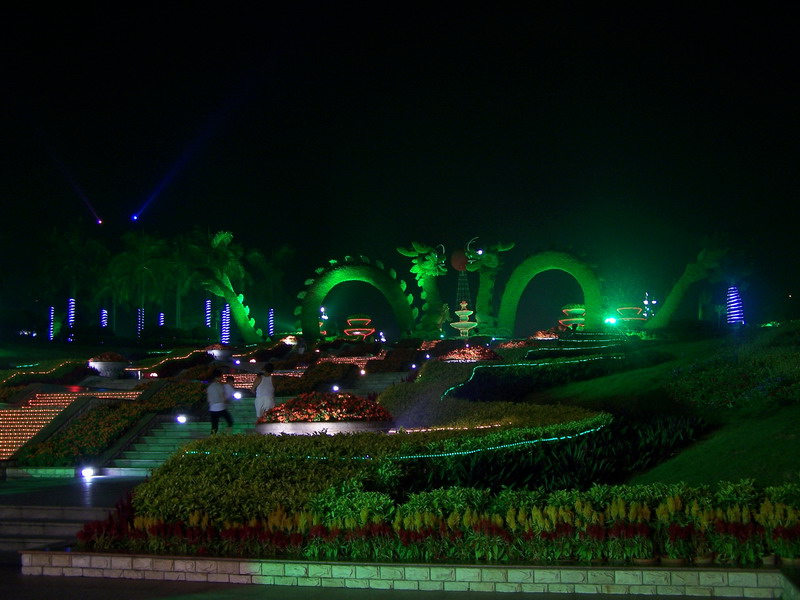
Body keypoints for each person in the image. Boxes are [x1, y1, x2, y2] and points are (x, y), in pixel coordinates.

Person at [207, 369, 233, 434]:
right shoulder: (219, 386)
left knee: (214, 426)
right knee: (230, 421)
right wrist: (227, 400)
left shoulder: (210, 386)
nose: (222, 378)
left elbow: (209, 398)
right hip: (220, 408)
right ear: (217, 377)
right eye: (221, 376)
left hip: (212, 408)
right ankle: (227, 434)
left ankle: (212, 438)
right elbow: (223, 397)